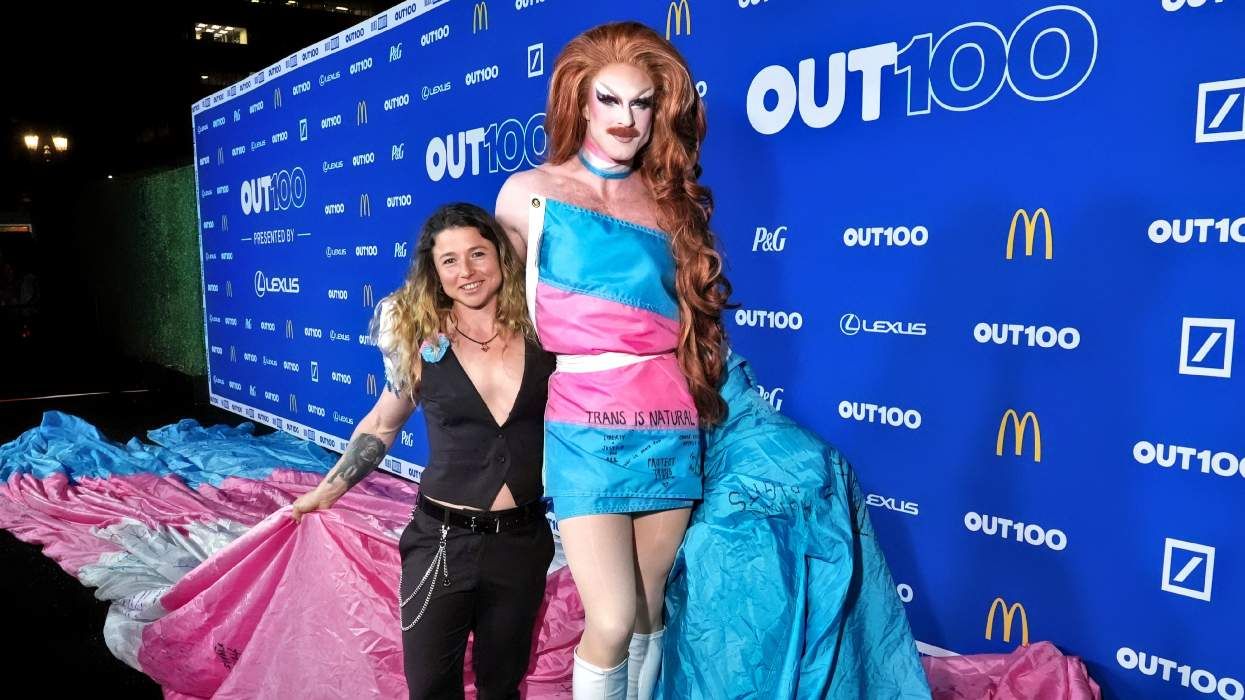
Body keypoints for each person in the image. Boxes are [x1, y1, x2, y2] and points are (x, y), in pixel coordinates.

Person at [495, 21, 930, 699]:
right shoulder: (526, 194)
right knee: (608, 617)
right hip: (582, 425)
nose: (626, 120)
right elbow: (495, 317)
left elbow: (698, 332)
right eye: (609, 101)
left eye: (642, 104)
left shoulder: (671, 208)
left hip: (669, 423)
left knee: (647, 611)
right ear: (580, 102)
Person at [291, 203, 556, 700]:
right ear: (434, 271)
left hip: (522, 544)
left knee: (503, 686)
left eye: (477, 254)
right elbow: (383, 424)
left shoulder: (545, 332)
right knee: (431, 686)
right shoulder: (418, 340)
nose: (467, 272)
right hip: (440, 543)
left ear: (500, 255)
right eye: (450, 261)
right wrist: (326, 493)